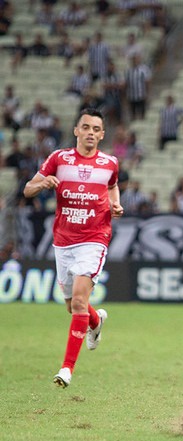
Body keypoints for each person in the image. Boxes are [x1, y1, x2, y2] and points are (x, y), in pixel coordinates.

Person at [22, 108, 123, 387]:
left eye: (96, 129)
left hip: (95, 237)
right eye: (86, 127)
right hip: (63, 240)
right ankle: (96, 321)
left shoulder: (110, 163)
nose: (91, 132)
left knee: (78, 301)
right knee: (72, 306)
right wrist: (43, 182)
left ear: (102, 135)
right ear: (76, 130)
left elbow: (113, 186)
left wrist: (116, 203)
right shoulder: (59, 158)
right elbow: (27, 190)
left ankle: (66, 369)